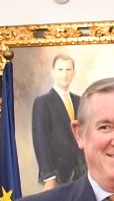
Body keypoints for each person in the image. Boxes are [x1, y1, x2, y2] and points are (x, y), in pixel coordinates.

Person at [30, 54, 87, 189]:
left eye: (68, 70)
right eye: (60, 70)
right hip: (57, 175)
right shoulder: (43, 102)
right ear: (53, 73)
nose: (64, 74)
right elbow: (40, 140)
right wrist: (49, 176)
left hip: (81, 173)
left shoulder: (80, 101)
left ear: (74, 73)